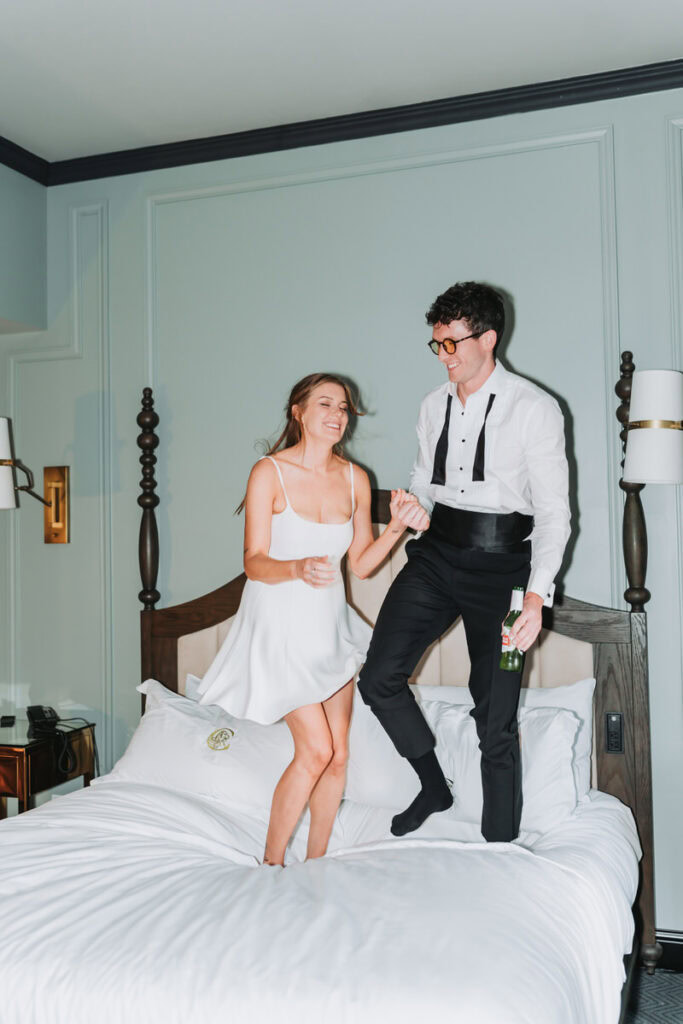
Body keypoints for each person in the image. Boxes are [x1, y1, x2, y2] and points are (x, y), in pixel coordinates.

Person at [358, 282, 571, 842]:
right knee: (378, 678)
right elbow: (425, 484)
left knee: (494, 718)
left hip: (504, 574)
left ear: (489, 338)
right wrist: (412, 506)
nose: (445, 356)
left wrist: (536, 597)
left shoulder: (535, 409)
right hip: (434, 558)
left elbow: (554, 516)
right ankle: (433, 785)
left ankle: (500, 847)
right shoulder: (433, 406)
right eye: (438, 345)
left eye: (453, 343)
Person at [198, 373, 414, 866]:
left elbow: (359, 563)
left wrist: (397, 527)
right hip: (277, 629)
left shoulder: (356, 479)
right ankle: (270, 865)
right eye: (325, 404)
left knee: (338, 755)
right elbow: (253, 560)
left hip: (328, 629)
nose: (337, 415)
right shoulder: (268, 472)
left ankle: (315, 865)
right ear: (298, 411)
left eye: (344, 407)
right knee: (315, 750)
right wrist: (296, 567)